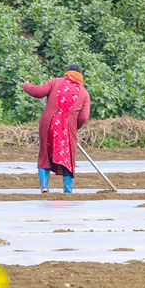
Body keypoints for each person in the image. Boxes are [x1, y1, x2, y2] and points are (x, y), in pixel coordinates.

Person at [23, 64, 90, 193]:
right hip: (68, 128)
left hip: (48, 123)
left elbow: (38, 92)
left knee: (45, 153)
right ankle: (67, 190)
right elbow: (84, 117)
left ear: (67, 73)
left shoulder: (55, 82)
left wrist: (26, 85)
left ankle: (44, 187)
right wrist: (74, 128)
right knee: (68, 157)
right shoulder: (84, 93)